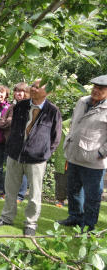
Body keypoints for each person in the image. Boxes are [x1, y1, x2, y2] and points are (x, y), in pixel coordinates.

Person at [0, 79, 62, 236]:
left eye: (37, 87)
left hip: (37, 159)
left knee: (35, 194)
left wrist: (44, 154)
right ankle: (6, 217)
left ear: (47, 92)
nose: (33, 89)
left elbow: (56, 138)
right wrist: (12, 146)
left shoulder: (52, 111)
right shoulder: (21, 106)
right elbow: (14, 129)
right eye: (33, 86)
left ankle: (31, 223)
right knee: (10, 190)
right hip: (15, 155)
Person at [57, 74, 107, 232]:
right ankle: (75, 217)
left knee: (92, 196)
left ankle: (89, 225)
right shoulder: (82, 101)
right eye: (94, 87)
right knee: (73, 190)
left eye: (100, 88)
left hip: (94, 160)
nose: (95, 90)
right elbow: (74, 123)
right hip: (74, 155)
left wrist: (101, 152)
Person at [0, 82, 30, 202]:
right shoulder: (11, 107)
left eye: (21, 91)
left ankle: (20, 195)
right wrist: (11, 121)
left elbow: (27, 125)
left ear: (26, 93)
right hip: (11, 142)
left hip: (24, 143)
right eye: (16, 91)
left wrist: (11, 121)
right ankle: (7, 193)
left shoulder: (29, 107)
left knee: (22, 170)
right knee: (10, 170)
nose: (18, 93)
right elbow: (1, 123)